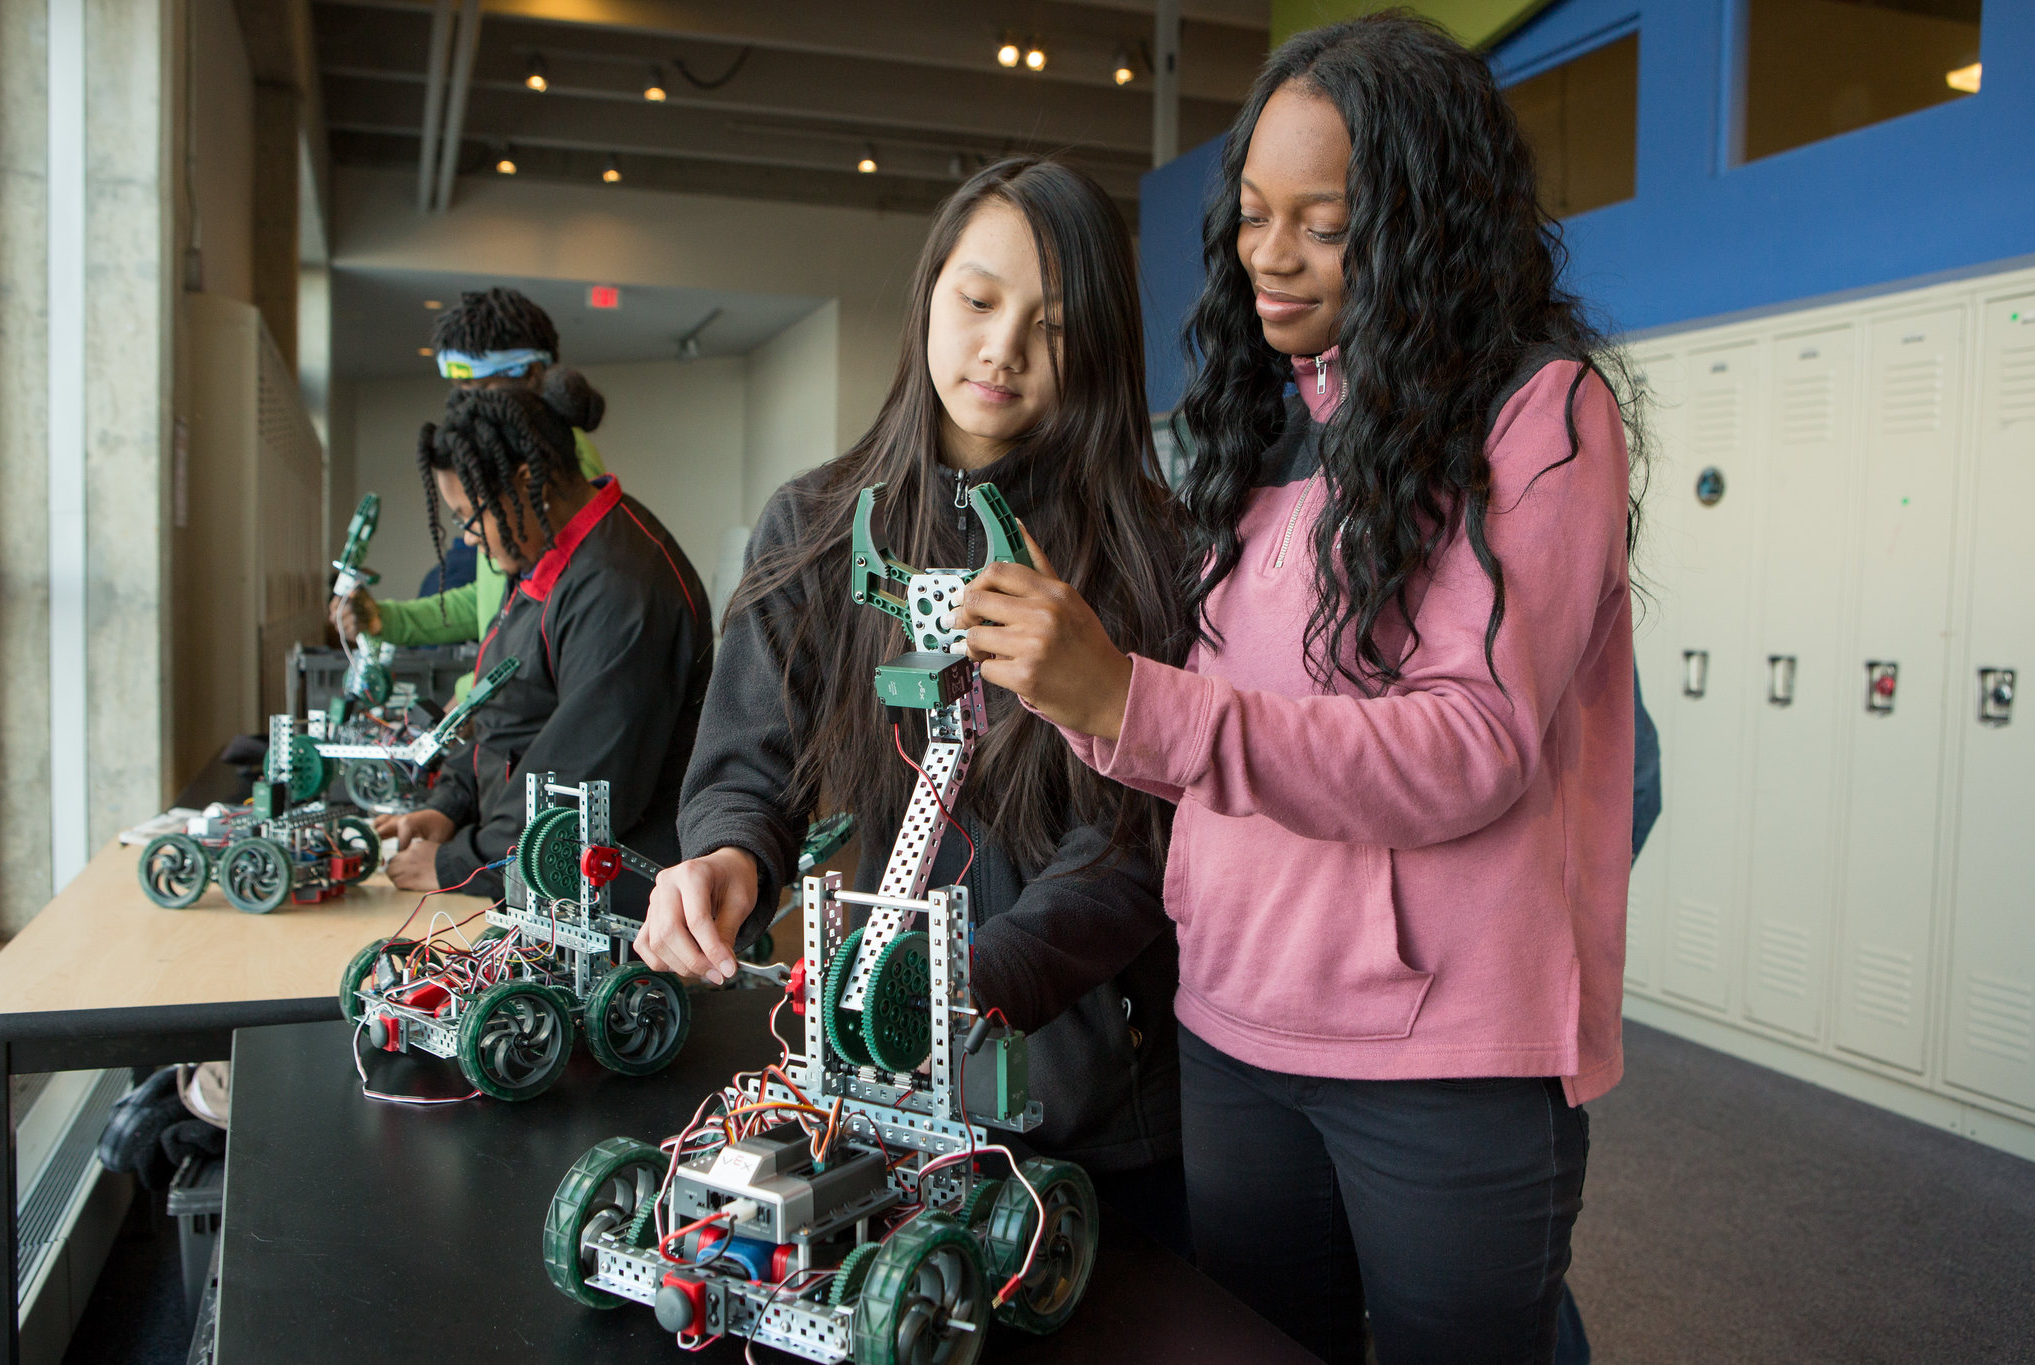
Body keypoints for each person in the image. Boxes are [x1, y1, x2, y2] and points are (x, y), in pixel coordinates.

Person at [951, 18, 1645, 1364]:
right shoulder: (1263, 425)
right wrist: (1075, 690)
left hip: (1444, 1057)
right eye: (1256, 215)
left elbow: (1470, 746)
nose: (1269, 257)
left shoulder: (1538, 415)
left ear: (1423, 224)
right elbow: (1217, 748)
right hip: (1235, 1023)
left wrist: (1132, 701)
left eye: (1322, 226)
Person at [630, 157, 1193, 1252]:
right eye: (977, 301)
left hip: (1085, 1115)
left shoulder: (1147, 554)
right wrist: (727, 857)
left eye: (1053, 325)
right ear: (929, 294)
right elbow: (750, 762)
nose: (1002, 348)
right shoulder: (813, 521)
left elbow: (1135, 843)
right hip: (885, 1100)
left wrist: (974, 982)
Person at [370, 386, 711, 908]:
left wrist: (458, 864)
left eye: (468, 515)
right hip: (526, 868)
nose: (466, 537)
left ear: (524, 484)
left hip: (606, 902)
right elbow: (507, 710)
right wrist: (449, 806)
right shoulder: (544, 554)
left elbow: (580, 789)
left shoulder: (619, 590)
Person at [331, 287, 609, 696]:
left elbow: (536, 629)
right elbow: (493, 600)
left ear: (530, 376)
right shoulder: (516, 464)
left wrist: (469, 699)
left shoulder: (557, 468)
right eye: (456, 386)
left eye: (475, 384)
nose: (464, 404)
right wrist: (385, 620)